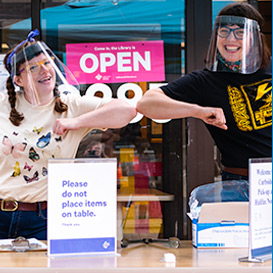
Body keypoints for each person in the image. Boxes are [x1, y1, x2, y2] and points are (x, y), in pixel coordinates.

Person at [0, 30, 136, 240]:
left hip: (46, 218)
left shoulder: (71, 105)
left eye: (47, 63)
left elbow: (127, 111)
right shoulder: (3, 105)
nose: (44, 71)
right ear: (18, 80)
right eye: (33, 67)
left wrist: (77, 122)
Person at [137, 3, 272, 182]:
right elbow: (146, 103)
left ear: (255, 37)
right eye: (224, 31)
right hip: (239, 181)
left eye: (240, 32)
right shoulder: (205, 81)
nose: (231, 39)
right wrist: (197, 111)